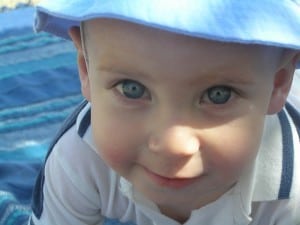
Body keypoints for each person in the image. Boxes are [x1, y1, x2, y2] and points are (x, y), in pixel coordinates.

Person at [29, 1, 300, 224]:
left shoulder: (290, 187)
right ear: (85, 69)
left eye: (219, 95)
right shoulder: (79, 160)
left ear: (278, 84)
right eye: (132, 89)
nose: (173, 146)